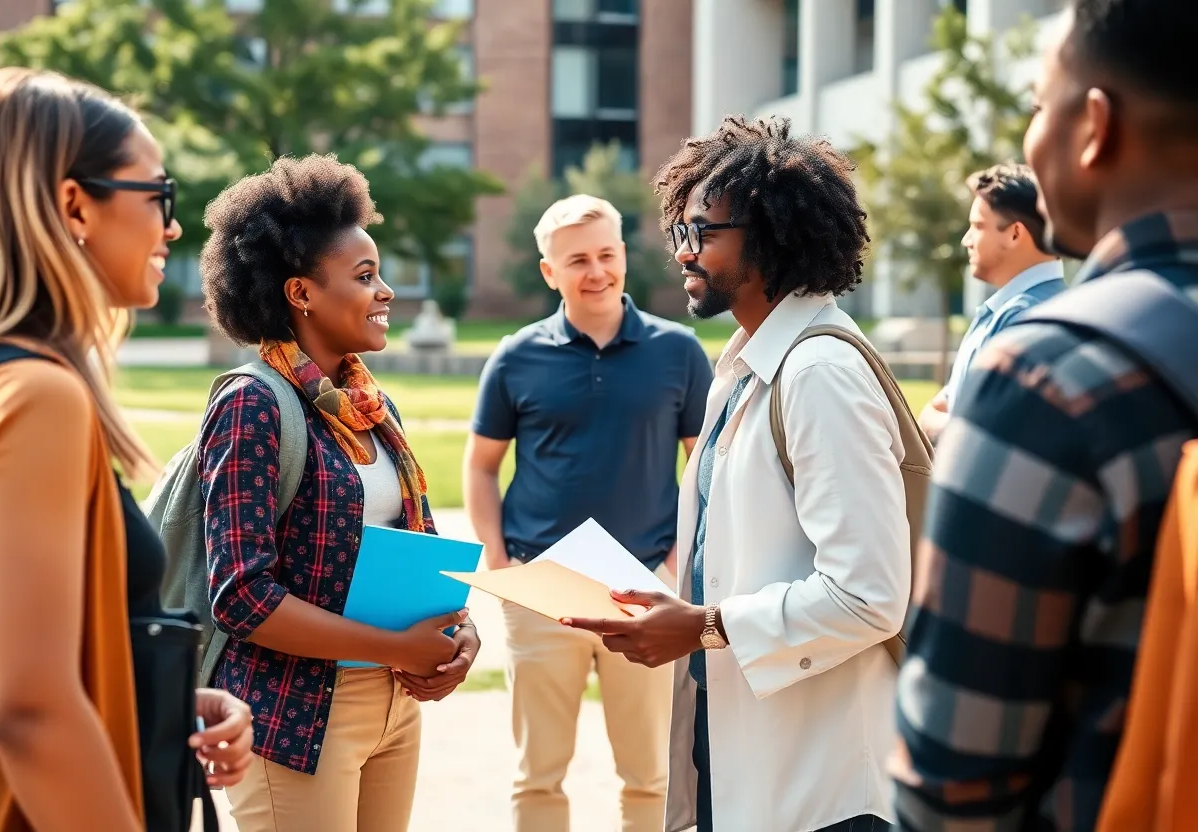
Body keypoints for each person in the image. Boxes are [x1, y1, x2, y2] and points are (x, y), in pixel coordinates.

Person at [892, 1, 1198, 829]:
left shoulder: (1048, 379)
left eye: (1037, 102)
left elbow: (952, 783)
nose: (1032, 131)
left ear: (1093, 124)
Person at [566, 116, 910, 832]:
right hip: (742, 754)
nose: (683, 254)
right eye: (679, 234)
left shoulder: (819, 372)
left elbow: (870, 595)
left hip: (820, 790)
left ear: (773, 239)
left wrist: (704, 627)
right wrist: (671, 611)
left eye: (702, 234)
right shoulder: (746, 366)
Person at [0, 67, 253, 831]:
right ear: (75, 205)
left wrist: (147, 699)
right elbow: (29, 707)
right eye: (158, 197)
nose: (172, 226)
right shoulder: (37, 396)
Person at [196, 154, 480, 832]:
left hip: (394, 704)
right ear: (301, 294)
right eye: (364, 276)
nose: (385, 291)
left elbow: (423, 551)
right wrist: (395, 647)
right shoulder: (252, 405)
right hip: (294, 716)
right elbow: (241, 595)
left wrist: (457, 636)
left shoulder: (374, 407)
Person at [463, 194, 713, 832]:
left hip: (644, 594)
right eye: (577, 260)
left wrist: (677, 563)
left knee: (651, 775)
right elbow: (481, 466)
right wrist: (500, 564)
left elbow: (706, 470)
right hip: (541, 589)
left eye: (607, 254)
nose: (596, 271)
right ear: (549, 271)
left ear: (624, 255)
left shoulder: (679, 351)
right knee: (538, 775)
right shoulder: (516, 356)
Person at [918, 162, 1065, 443]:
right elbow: (943, 408)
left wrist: (937, 425)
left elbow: (985, 436)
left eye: (977, 226)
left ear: (1014, 234)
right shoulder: (1002, 312)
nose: (966, 240)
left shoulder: (1025, 319)